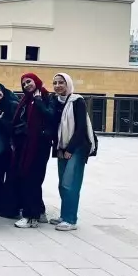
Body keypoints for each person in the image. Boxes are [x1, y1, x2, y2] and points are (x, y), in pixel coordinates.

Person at [50, 73, 96, 231]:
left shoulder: (77, 101)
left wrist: (70, 149)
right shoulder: (55, 101)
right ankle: (64, 215)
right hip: (62, 147)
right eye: (55, 83)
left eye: (61, 82)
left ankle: (70, 220)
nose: (57, 86)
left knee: (70, 183)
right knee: (62, 184)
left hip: (76, 147)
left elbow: (81, 127)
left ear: (68, 84)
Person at [10, 73, 54, 229]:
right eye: (23, 83)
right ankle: (39, 212)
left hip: (38, 146)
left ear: (36, 81)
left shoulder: (46, 97)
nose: (26, 85)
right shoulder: (26, 99)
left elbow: (51, 116)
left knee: (32, 180)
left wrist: (39, 100)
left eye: (29, 81)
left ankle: (31, 217)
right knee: (30, 179)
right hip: (25, 145)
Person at [0, 82, 20, 217]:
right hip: (0, 148)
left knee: (11, 179)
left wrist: (1, 120)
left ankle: (11, 209)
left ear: (3, 90)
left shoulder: (13, 104)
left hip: (12, 147)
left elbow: (16, 127)